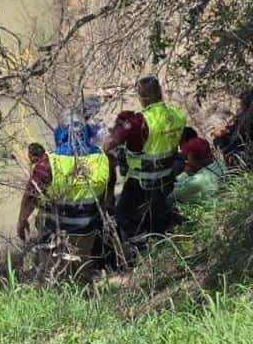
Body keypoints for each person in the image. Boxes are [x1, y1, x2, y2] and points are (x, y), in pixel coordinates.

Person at [103, 75, 186, 241]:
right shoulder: (177, 113)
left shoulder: (139, 122)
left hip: (141, 181)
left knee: (123, 216)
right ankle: (159, 244)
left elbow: (108, 145)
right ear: (160, 92)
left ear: (141, 96)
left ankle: (136, 249)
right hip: (167, 176)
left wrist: (120, 125)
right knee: (157, 217)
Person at [16, 139, 115, 245]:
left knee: (40, 219)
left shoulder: (47, 164)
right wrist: (103, 212)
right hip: (90, 228)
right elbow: (110, 188)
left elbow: (30, 198)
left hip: (59, 231)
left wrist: (21, 222)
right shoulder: (103, 158)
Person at [213, 88, 253, 168]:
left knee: (221, 140)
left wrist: (221, 135)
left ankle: (232, 172)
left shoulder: (246, 119)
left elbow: (235, 140)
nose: (239, 107)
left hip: (250, 157)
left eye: (241, 104)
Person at [173, 136, 228, 205]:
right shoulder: (221, 165)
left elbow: (174, 194)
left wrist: (185, 174)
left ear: (191, 156)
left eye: (187, 156)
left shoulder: (197, 182)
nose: (186, 159)